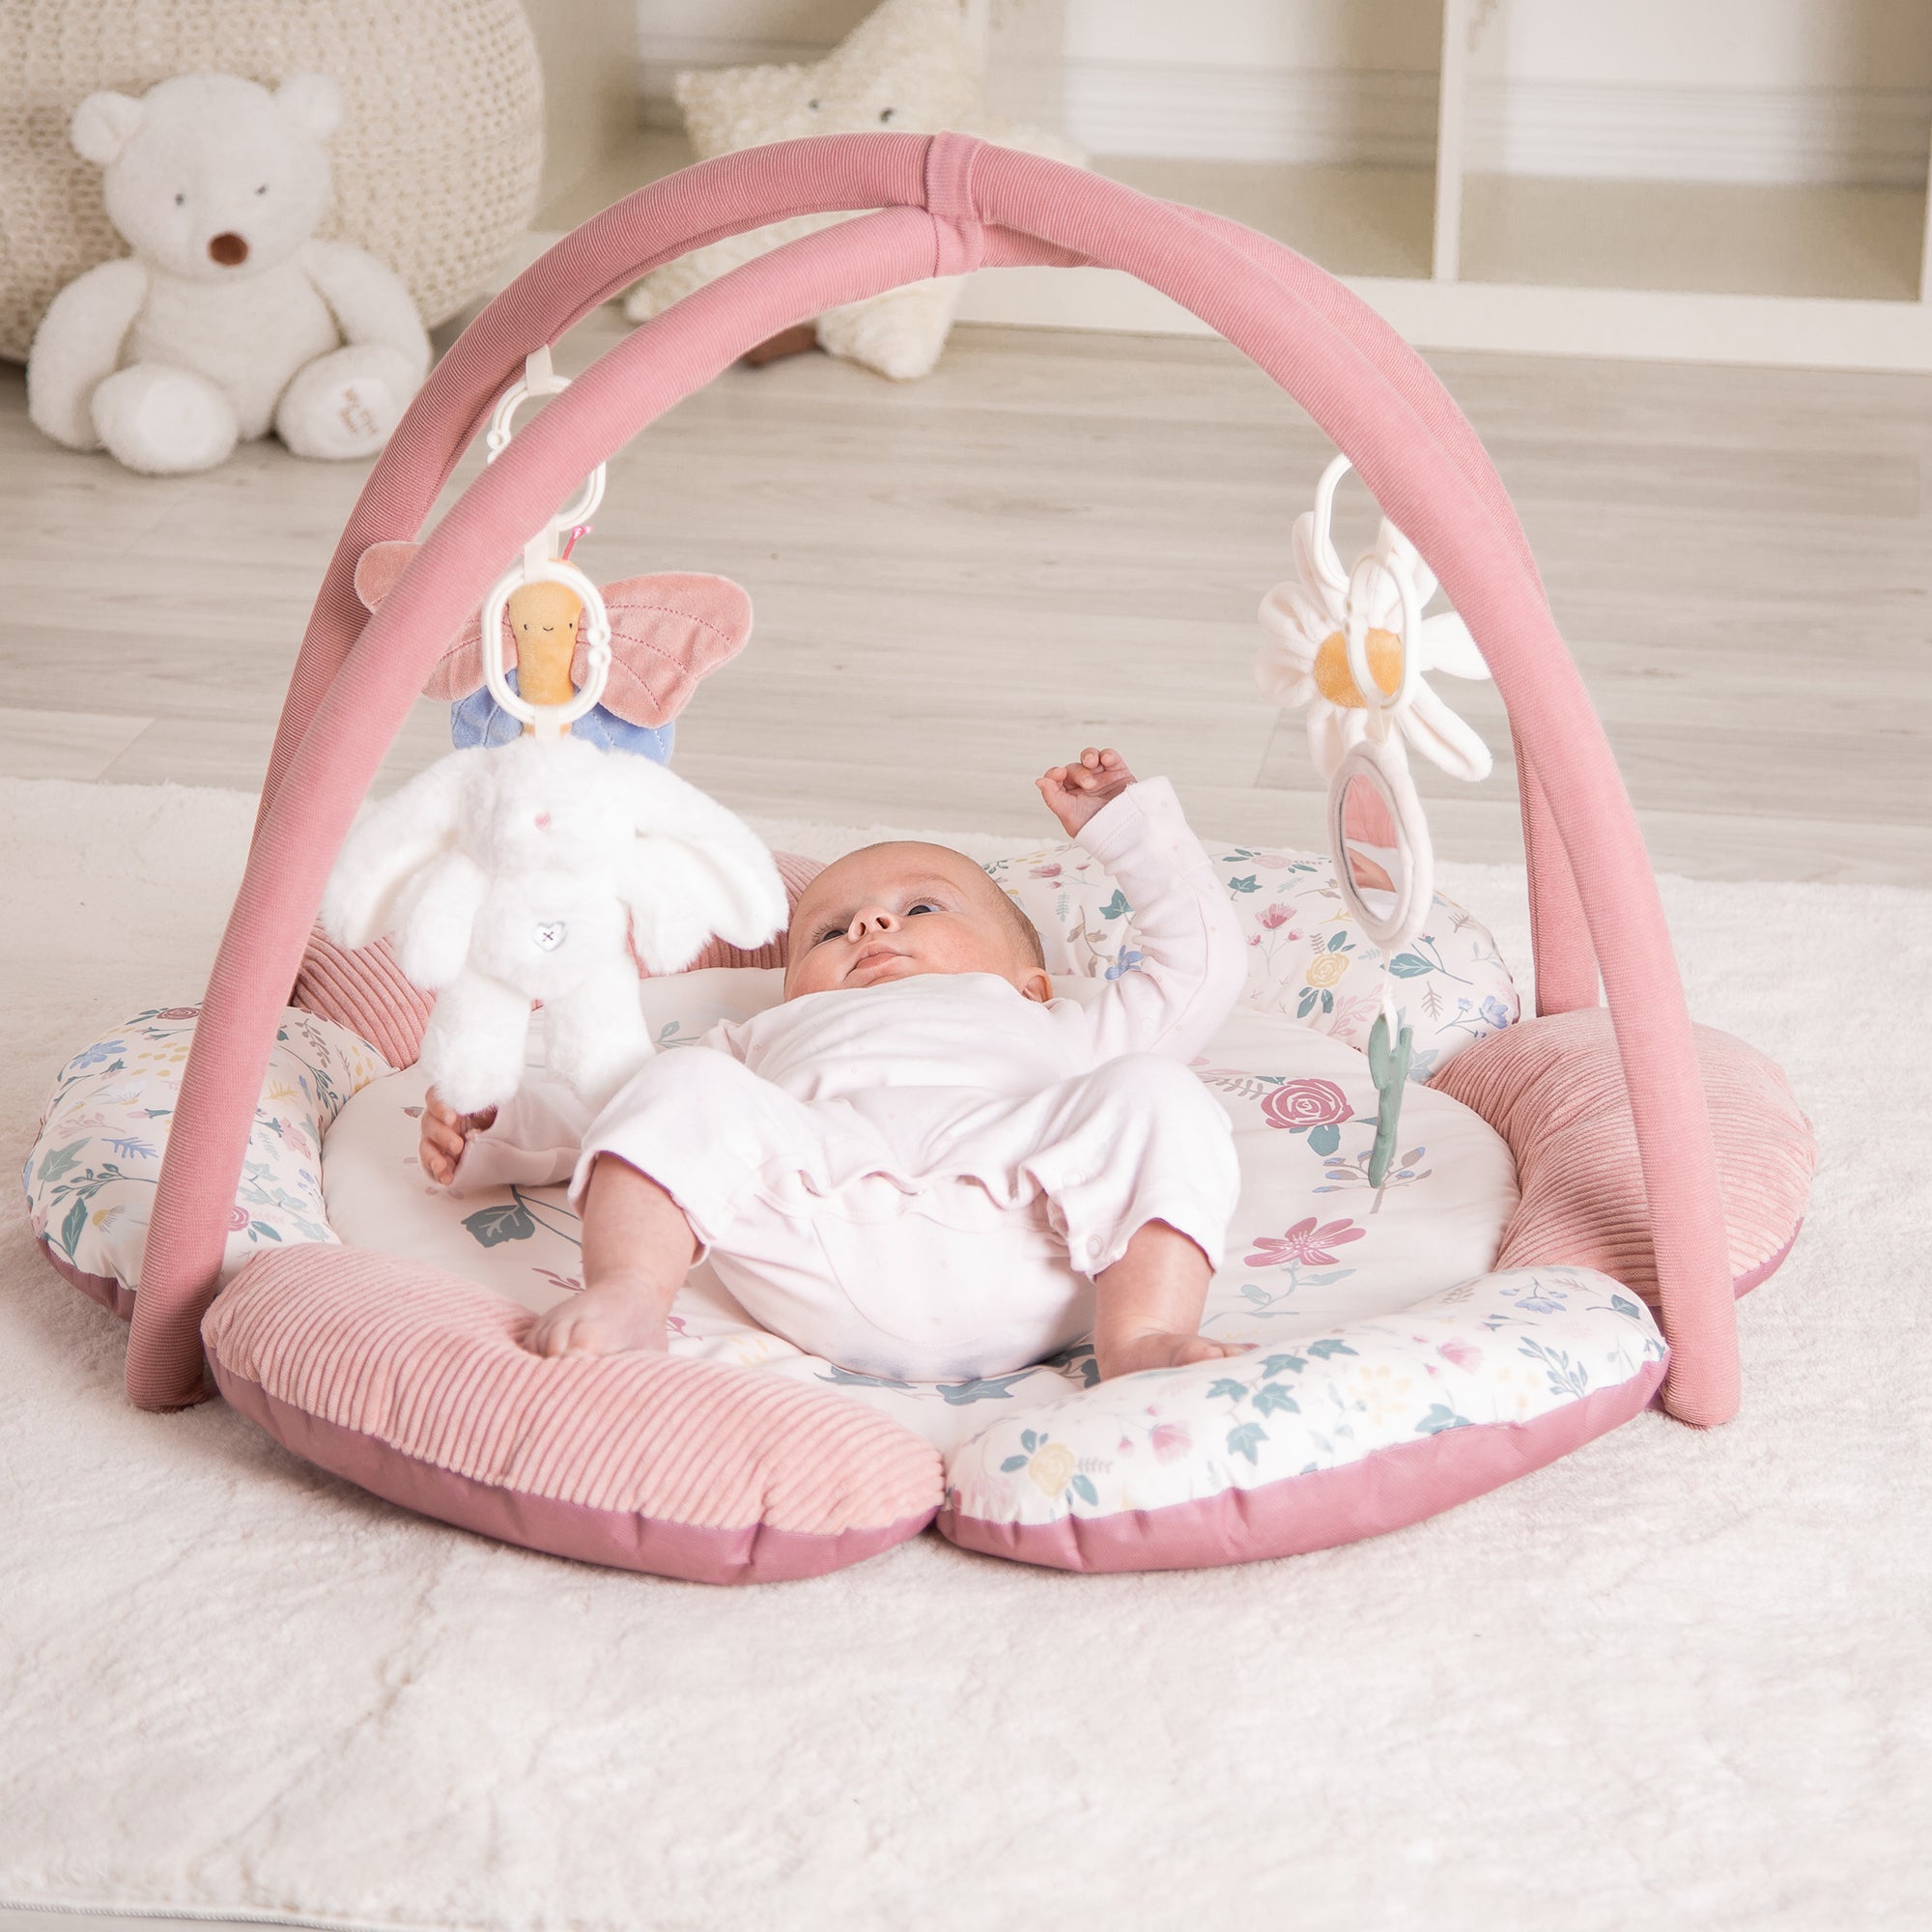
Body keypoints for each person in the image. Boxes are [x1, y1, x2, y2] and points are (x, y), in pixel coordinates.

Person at [420, 749, 1249, 1382]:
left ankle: (1142, 1333)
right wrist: (495, 1119)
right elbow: (623, 1112)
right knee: (680, 1085)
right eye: (828, 930)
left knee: (1157, 1093)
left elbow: (1203, 967)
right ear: (784, 990)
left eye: (920, 907)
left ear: (1030, 984)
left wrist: (1128, 828)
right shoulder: (768, 1040)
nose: (871, 925)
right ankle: (634, 1288)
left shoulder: (1063, 1026)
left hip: (1038, 1237)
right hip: (814, 1230)